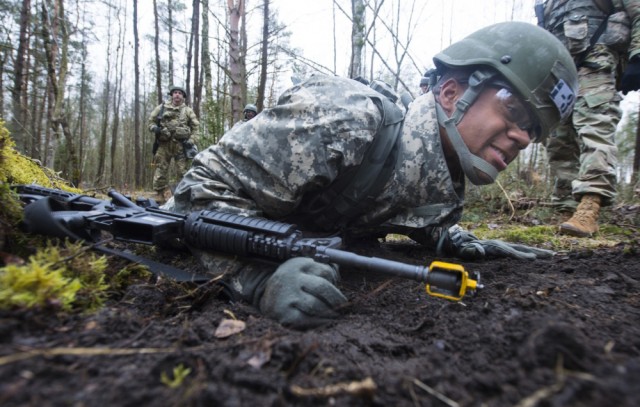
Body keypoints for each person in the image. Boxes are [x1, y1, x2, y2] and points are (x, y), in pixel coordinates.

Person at [164, 22, 578, 329]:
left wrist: (453, 240)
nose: (523, 137)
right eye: (513, 110)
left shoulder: (441, 178)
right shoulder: (348, 118)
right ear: (451, 94)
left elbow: (393, 203)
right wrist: (257, 278)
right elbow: (196, 191)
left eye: (534, 131)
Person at [538, 0, 640, 237]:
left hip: (597, 63)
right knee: (558, 139)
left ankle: (589, 207)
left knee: (595, 128)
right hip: (560, 73)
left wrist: (637, 55)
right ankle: (567, 210)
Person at [148, 85, 200, 202]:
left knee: (183, 172)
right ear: (172, 95)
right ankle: (159, 195)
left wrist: (191, 141)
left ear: (183, 97)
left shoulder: (187, 111)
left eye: (180, 93)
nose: (177, 95)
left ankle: (182, 197)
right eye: (175, 92)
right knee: (160, 169)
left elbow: (196, 128)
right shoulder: (161, 108)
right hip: (163, 145)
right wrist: (155, 128)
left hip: (180, 146)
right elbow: (151, 121)